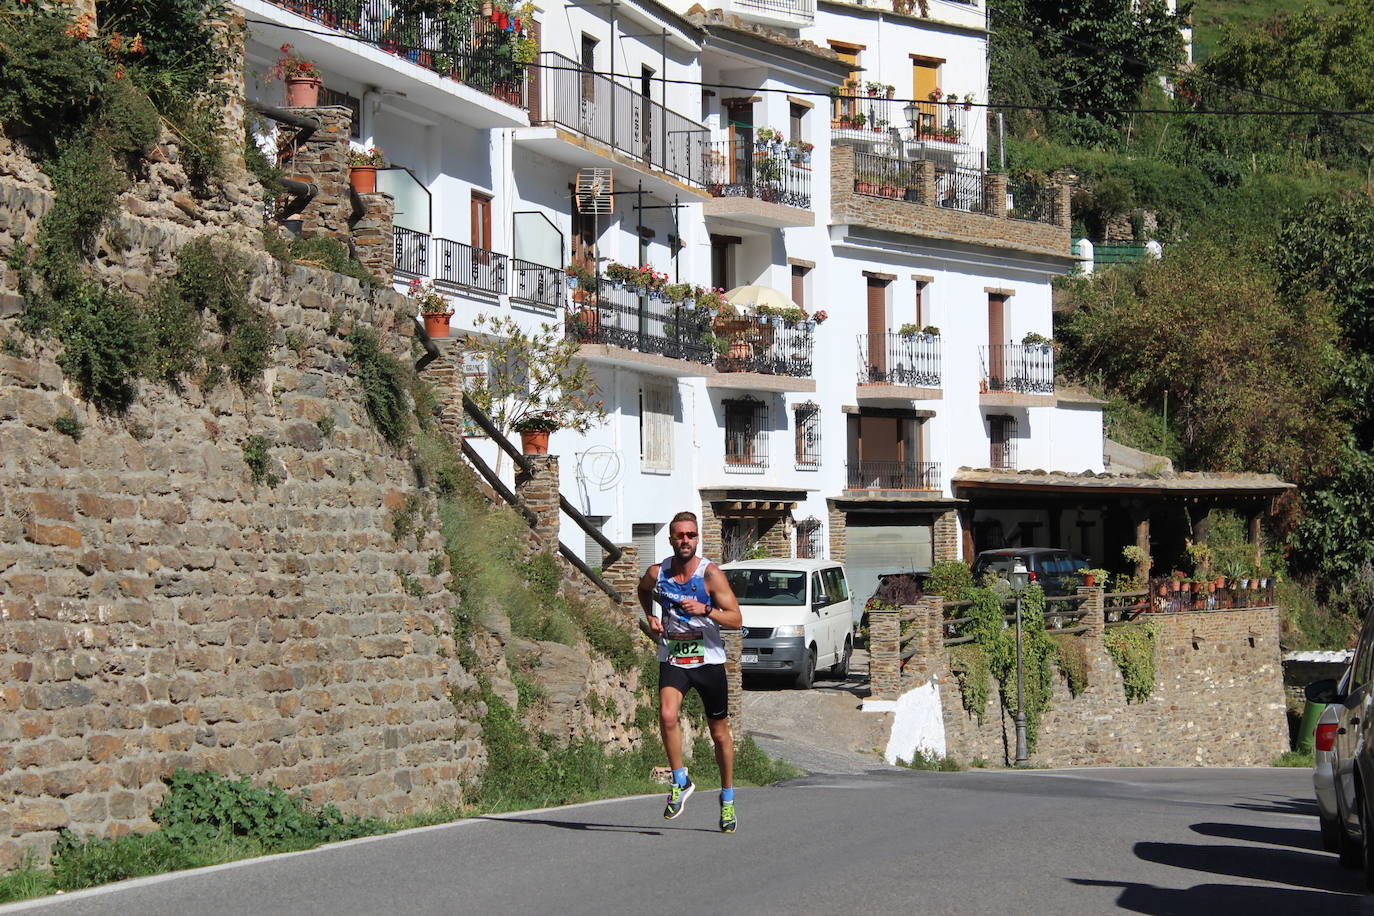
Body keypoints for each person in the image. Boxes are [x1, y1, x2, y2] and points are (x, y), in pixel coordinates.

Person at [637, 511, 743, 833]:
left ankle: (727, 799)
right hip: (674, 656)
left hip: (708, 660)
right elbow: (643, 591)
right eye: (680, 535)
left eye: (691, 535)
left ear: (698, 539)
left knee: (719, 734)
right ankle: (680, 780)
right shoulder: (658, 573)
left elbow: (736, 619)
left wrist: (706, 609)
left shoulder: (710, 574)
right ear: (670, 540)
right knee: (667, 716)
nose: (686, 540)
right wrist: (651, 617)